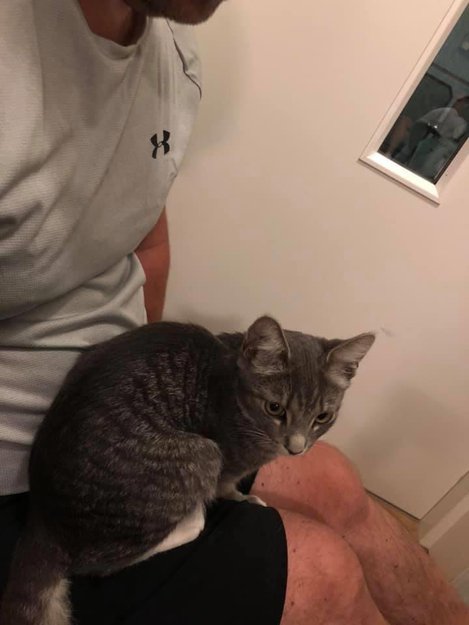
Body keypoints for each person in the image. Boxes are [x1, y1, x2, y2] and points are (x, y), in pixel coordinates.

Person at [0, 1, 468, 624]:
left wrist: (142, 373)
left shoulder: (173, 55)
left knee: (335, 483)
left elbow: (146, 240)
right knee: (324, 574)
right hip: (27, 473)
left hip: (116, 400)